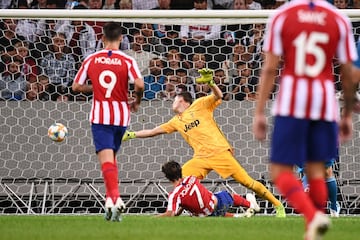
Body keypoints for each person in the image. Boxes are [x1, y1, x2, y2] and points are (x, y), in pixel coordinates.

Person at [252, 1, 357, 239]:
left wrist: (259, 111)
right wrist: (348, 114)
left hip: (292, 101)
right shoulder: (338, 18)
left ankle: (313, 216)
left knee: (280, 172)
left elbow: (270, 68)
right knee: (317, 170)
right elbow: (348, 72)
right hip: (325, 101)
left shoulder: (283, 15)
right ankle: (315, 228)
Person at [123, 68, 286, 217]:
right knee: (181, 181)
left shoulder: (199, 105)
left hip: (220, 152)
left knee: (247, 182)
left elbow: (218, 95)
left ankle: (278, 205)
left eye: (175, 98)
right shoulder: (175, 121)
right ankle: (180, 211)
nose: (172, 101)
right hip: (201, 158)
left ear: (182, 100)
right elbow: (152, 132)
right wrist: (131, 134)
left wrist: (210, 82)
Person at [71, 22, 144, 222]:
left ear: (102, 38)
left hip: (100, 117)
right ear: (121, 39)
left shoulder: (91, 59)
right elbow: (139, 84)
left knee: (106, 162)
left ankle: (116, 200)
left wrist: (96, 89)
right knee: (112, 161)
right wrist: (136, 101)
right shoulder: (127, 60)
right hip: (121, 117)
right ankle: (110, 206)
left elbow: (76, 86)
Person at [159, 160, 260, 217]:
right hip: (218, 202)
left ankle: (240, 217)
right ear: (180, 171)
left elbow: (171, 213)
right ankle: (250, 205)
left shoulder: (174, 195)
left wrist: (154, 218)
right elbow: (188, 191)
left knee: (208, 212)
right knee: (228, 195)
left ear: (167, 177)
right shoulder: (192, 178)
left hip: (206, 216)